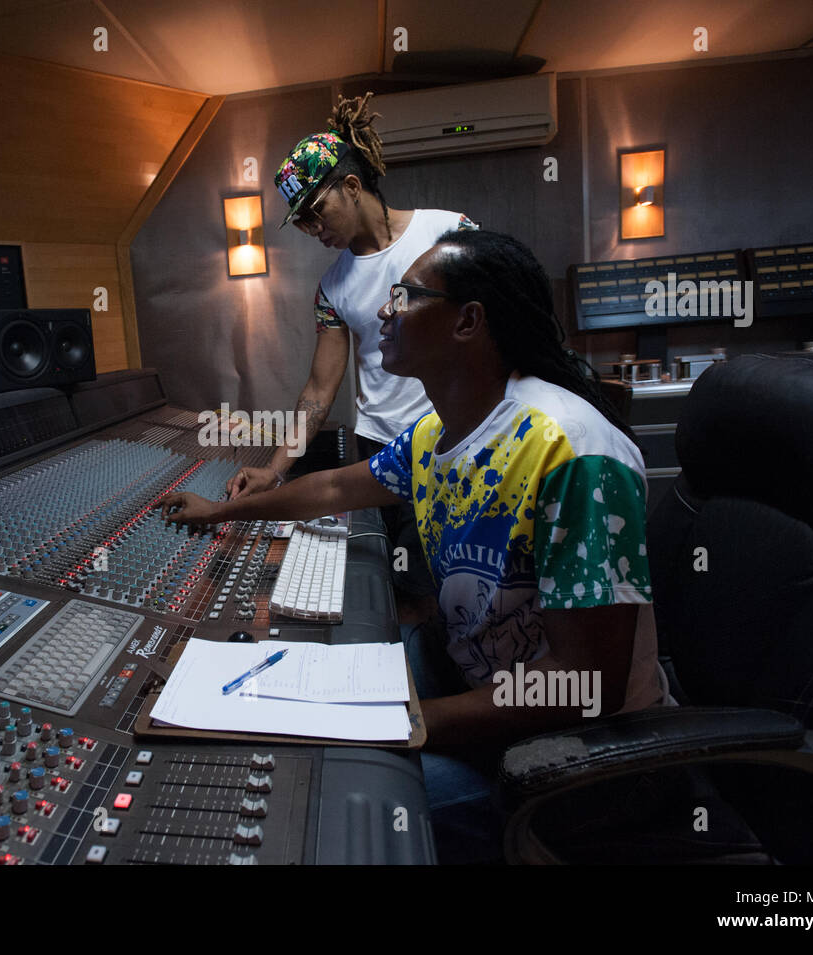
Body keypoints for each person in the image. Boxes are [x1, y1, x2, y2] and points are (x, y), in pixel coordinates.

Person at [159, 229, 671, 861]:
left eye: (404, 296)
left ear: (468, 322)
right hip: (479, 684)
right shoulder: (435, 432)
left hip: (584, 758)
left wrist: (410, 720)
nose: (383, 310)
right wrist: (224, 510)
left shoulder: (572, 452)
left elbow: (586, 684)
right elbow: (331, 491)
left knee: (323, 809)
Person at [225, 92, 479, 602]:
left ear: (352, 185)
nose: (312, 229)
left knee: (458, 590)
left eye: (316, 212)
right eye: (301, 222)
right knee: (397, 591)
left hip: (457, 446)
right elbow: (319, 390)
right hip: (380, 449)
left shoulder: (451, 232)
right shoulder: (331, 288)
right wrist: (274, 472)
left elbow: (497, 329)